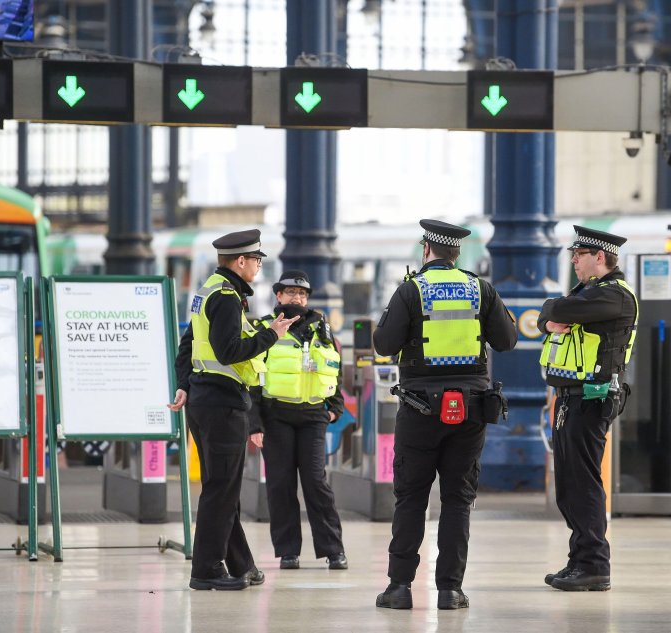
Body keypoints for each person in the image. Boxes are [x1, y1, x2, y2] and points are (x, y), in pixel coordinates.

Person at [372, 219, 517, 610]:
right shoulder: (479, 289)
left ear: (426, 250)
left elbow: (384, 345)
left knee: (411, 499)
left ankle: (399, 588)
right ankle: (450, 591)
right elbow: (506, 340)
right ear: (457, 254)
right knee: (457, 500)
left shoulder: (411, 290)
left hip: (420, 409)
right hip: (469, 410)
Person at [168, 229, 298, 591]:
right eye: (256, 260)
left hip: (204, 400)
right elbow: (228, 351)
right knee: (220, 491)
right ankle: (207, 570)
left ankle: (242, 564)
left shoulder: (207, 291)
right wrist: (271, 334)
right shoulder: (225, 297)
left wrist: (182, 383)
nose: (258, 266)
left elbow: (187, 346)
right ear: (240, 261)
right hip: (223, 403)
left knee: (221, 489)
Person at [537, 225, 638, 592]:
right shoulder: (587, 295)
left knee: (583, 482)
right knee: (569, 484)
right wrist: (551, 314)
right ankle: (580, 559)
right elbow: (543, 317)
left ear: (600, 257)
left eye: (578, 255)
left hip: (592, 399)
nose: (573, 261)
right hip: (571, 398)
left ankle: (595, 564)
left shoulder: (614, 297)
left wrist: (553, 313)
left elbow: (555, 309)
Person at [247, 270, 348, 571]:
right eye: (291, 292)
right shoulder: (264, 329)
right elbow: (251, 379)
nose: (297, 298)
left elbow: (333, 369)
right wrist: (254, 423)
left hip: (313, 416)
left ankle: (333, 550)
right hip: (276, 416)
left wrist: (335, 406)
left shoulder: (322, 329)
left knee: (316, 483)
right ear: (278, 296)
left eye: (302, 294)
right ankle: (288, 551)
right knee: (281, 485)